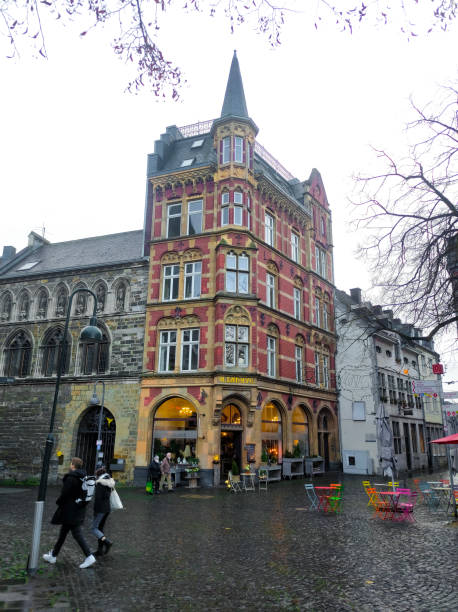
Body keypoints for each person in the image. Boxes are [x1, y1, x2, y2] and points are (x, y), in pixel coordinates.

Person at [43, 457, 96, 569]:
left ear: (73, 465)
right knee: (63, 534)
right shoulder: (83, 476)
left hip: (70, 510)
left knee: (77, 534)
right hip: (77, 509)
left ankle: (89, 556)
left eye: (71, 463)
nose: (70, 465)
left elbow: (64, 494)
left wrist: (59, 502)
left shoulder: (72, 477)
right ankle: (53, 555)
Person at [91, 465, 115, 556]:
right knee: (100, 529)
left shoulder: (100, 483)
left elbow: (98, 498)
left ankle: (107, 542)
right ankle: (99, 550)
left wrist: (95, 511)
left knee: (94, 528)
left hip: (100, 509)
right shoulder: (108, 480)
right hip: (106, 508)